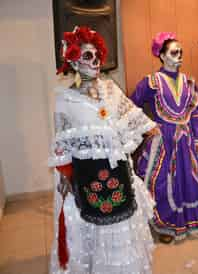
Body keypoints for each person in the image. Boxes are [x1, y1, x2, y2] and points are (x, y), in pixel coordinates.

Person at [48, 26, 157, 274]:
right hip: (88, 179)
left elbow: (131, 115)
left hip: (118, 175)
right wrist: (65, 176)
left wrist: (149, 127)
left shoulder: (111, 89)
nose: (95, 59)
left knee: (122, 229)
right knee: (94, 233)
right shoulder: (64, 99)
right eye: (87, 55)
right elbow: (62, 144)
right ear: (73, 60)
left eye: (97, 53)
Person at [131, 32, 198, 243]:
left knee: (186, 179)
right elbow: (131, 106)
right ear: (162, 56)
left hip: (186, 139)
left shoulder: (189, 82)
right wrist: (147, 126)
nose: (179, 56)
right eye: (174, 52)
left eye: (181, 52)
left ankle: (184, 220)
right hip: (162, 140)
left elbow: (197, 112)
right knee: (162, 182)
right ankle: (164, 225)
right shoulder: (151, 82)